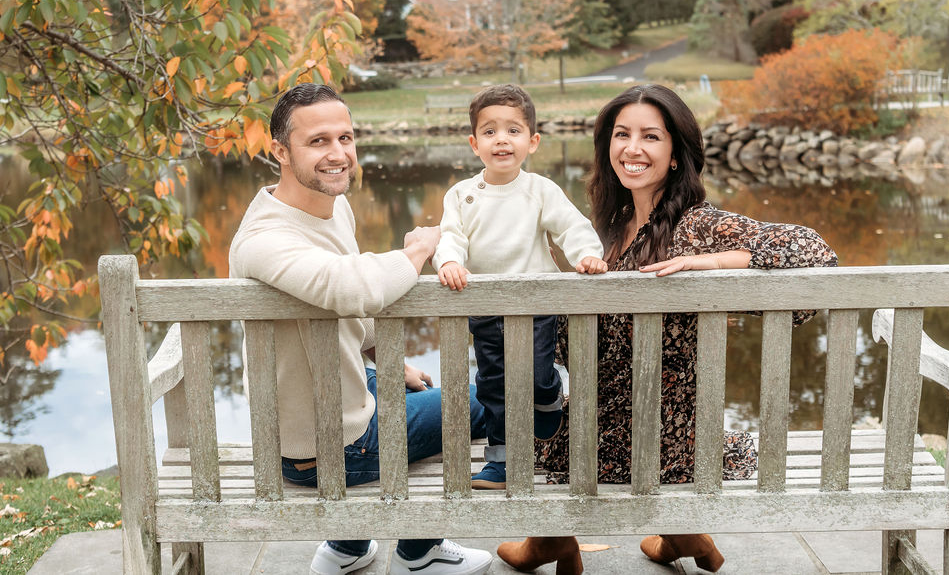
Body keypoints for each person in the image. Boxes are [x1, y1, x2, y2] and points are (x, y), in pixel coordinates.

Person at [497, 84, 838, 574]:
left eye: (650, 137)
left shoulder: (692, 227)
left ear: (676, 155)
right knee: (547, 416)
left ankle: (551, 540)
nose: (633, 149)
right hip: (663, 434)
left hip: (648, 441)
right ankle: (683, 536)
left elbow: (813, 251)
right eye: (622, 134)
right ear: (606, 146)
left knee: (518, 433)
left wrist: (711, 263)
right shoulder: (608, 232)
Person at [229, 83, 492, 575]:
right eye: (318, 142)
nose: (338, 154)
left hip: (326, 401)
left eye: (345, 138)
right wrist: (419, 248)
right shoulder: (265, 240)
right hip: (329, 449)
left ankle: (347, 548)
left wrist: (391, 363)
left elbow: (347, 312)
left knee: (406, 388)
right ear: (279, 151)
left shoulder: (331, 206)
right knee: (481, 401)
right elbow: (350, 288)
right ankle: (420, 550)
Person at [434, 84, 607, 490]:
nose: (502, 140)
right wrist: (449, 262)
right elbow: (450, 236)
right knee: (493, 386)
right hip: (485, 306)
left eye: (513, 131)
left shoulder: (540, 190)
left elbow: (571, 226)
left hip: (535, 303)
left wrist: (585, 255)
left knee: (532, 372)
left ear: (532, 141)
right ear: (474, 144)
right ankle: (503, 461)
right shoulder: (462, 195)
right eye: (490, 131)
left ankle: (548, 393)